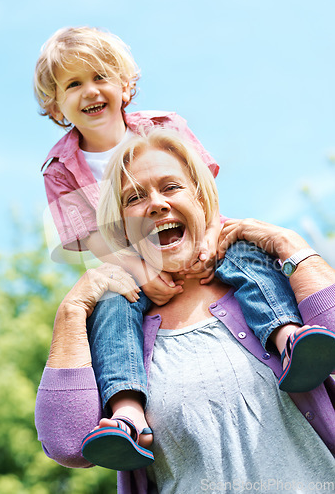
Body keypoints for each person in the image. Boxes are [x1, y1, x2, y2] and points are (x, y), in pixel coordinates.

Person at [34, 28, 335, 471]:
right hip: (128, 264)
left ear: (123, 84)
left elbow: (203, 188)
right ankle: (127, 413)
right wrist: (136, 270)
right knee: (113, 310)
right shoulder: (60, 169)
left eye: (99, 76)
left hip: (208, 233)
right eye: (73, 84)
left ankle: (288, 337)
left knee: (247, 259)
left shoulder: (162, 127)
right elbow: (91, 237)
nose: (90, 91)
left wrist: (212, 236)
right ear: (56, 104)